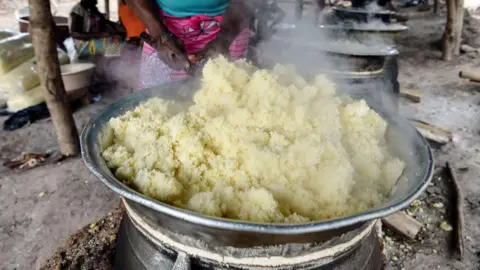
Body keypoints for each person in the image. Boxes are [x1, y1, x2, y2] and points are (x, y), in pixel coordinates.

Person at [125, 0, 253, 89]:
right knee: (156, 103)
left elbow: (252, 3)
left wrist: (224, 39)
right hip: (160, 28)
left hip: (231, 26)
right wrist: (160, 37)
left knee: (229, 101)